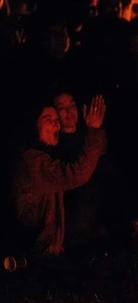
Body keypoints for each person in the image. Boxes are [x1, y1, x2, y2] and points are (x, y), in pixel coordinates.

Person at [10, 95, 108, 258]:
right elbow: (77, 173)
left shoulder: (47, 155)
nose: (56, 123)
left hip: (52, 247)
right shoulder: (31, 161)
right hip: (39, 251)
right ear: (33, 125)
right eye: (48, 119)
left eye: (57, 119)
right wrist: (94, 130)